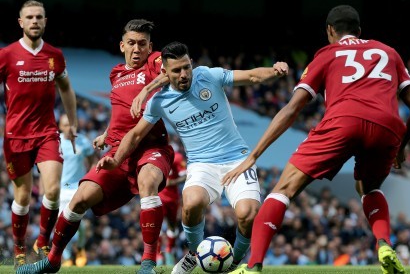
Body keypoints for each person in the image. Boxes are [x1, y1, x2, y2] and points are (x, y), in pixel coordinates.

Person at [224, 5, 410, 274]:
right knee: (368, 189)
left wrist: (254, 155)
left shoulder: (327, 54)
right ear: (359, 31)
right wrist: (401, 145)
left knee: (283, 190)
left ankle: (253, 266)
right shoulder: (388, 52)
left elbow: (292, 109)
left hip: (343, 121)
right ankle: (384, 244)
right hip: (387, 127)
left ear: (330, 31)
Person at [98, 41, 289, 274]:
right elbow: (136, 133)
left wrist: (274, 70)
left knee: (247, 214)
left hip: (236, 158)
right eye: (177, 70)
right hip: (201, 164)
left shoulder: (208, 75)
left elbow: (252, 76)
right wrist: (116, 160)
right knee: (190, 203)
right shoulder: (159, 101)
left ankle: (235, 264)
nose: (184, 74)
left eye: (186, 67)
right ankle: (196, 253)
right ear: (165, 73)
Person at [16, 19, 173, 274]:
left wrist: (147, 90)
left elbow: (171, 71)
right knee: (79, 199)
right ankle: (53, 260)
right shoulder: (116, 74)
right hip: (118, 151)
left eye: (142, 44)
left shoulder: (154, 61)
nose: (137, 49)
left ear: (150, 47)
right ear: (122, 45)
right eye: (131, 43)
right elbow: (121, 114)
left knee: (148, 183)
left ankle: (148, 264)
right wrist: (106, 133)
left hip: (151, 147)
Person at [0, 0, 78, 268]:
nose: (35, 21)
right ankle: (19, 246)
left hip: (47, 132)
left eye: (39, 17)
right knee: (22, 197)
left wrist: (73, 121)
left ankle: (42, 241)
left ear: (45, 21)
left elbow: (66, 88)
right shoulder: (6, 55)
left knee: (54, 189)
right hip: (16, 136)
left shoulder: (55, 55)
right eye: (29, 17)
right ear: (21, 22)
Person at [57, 114, 97, 267]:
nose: (69, 128)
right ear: (61, 127)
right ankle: (66, 257)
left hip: (77, 188)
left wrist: (91, 178)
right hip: (60, 188)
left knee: (80, 224)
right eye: (66, 125)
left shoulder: (83, 141)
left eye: (72, 124)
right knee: (61, 224)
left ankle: (80, 248)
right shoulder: (56, 141)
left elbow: (93, 160)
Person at [157, 146, 187, 266]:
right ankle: (158, 255)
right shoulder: (155, 155)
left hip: (172, 198)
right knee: (156, 224)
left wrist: (172, 182)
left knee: (172, 225)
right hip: (158, 195)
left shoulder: (178, 157)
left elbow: (185, 175)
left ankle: (169, 251)